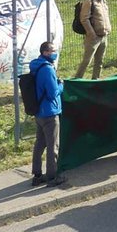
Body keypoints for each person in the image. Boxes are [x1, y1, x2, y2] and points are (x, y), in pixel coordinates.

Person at [28, 41, 66, 186]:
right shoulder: (47, 69)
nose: (54, 54)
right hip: (50, 112)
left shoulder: (35, 66)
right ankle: (53, 176)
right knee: (53, 145)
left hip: (39, 113)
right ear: (45, 52)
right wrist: (61, 85)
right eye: (52, 51)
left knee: (40, 144)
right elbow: (53, 93)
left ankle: (37, 174)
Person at [75, 0, 111, 79]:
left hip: (104, 36)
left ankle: (96, 79)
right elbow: (84, 19)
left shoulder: (103, 0)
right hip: (93, 37)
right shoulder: (89, 1)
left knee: (100, 61)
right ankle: (77, 79)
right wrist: (92, 34)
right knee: (87, 60)